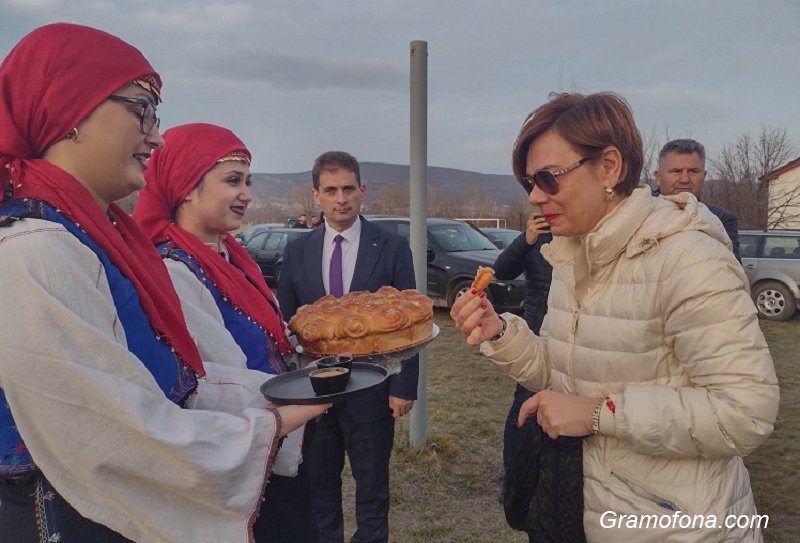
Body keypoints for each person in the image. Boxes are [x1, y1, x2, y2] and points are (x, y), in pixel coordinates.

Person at [0, 23, 329, 543]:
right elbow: (107, 427)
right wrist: (269, 424)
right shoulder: (34, 250)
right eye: (140, 110)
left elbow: (171, 383)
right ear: (70, 111)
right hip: (72, 516)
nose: (155, 134)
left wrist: (286, 393)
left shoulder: (99, 240)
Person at [450, 92, 778, 541]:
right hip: (581, 507)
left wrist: (598, 415)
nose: (534, 197)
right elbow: (563, 374)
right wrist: (501, 332)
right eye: (530, 182)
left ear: (609, 166)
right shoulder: (574, 250)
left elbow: (746, 412)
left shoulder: (688, 260)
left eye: (548, 178)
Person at [132, 123, 317, 542]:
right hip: (240, 464)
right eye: (233, 180)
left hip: (281, 441)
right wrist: (313, 390)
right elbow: (208, 382)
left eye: (247, 181)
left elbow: (273, 343)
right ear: (186, 187)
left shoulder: (234, 257)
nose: (247, 194)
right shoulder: (174, 271)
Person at [278, 151, 419, 543]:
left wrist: (404, 386)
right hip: (313, 392)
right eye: (331, 190)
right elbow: (287, 323)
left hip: (373, 391)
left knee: (372, 488)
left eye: (348, 189)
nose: (341, 198)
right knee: (320, 488)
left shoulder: (391, 247)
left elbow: (410, 325)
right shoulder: (297, 251)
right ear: (316, 196)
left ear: (362, 191)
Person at [491, 212, 552, 497]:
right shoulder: (537, 234)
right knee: (523, 411)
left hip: (578, 337)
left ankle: (548, 480)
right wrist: (525, 240)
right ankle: (512, 480)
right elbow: (502, 270)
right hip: (538, 337)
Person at [653, 138, 741, 262]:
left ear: (704, 176)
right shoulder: (639, 211)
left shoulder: (721, 220)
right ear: (658, 177)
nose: (684, 179)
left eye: (693, 171)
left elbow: (732, 270)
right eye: (676, 171)